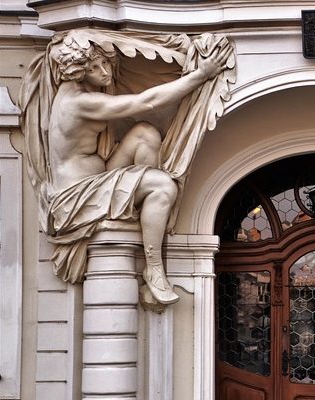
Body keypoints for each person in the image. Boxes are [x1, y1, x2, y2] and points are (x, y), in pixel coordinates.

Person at [47, 38, 232, 304]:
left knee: (144, 133)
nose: (105, 72)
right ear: (77, 72)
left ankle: (145, 207)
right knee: (163, 185)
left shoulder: (78, 91)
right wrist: (201, 74)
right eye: (94, 68)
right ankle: (153, 266)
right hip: (80, 196)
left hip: (98, 178)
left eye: (105, 63)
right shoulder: (79, 102)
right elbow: (146, 101)